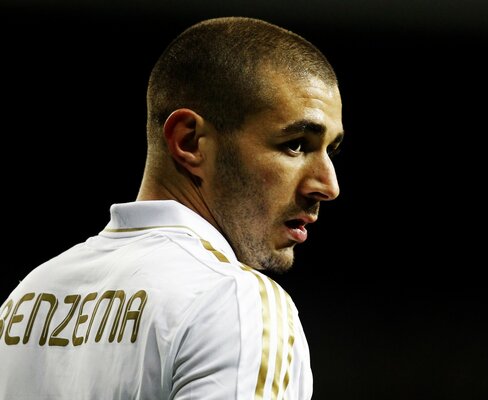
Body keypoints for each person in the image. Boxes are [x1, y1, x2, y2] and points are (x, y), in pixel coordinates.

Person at [0, 16, 343, 399]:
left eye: (331, 150)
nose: (328, 186)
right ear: (190, 141)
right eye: (295, 144)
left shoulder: (25, 301)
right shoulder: (236, 302)